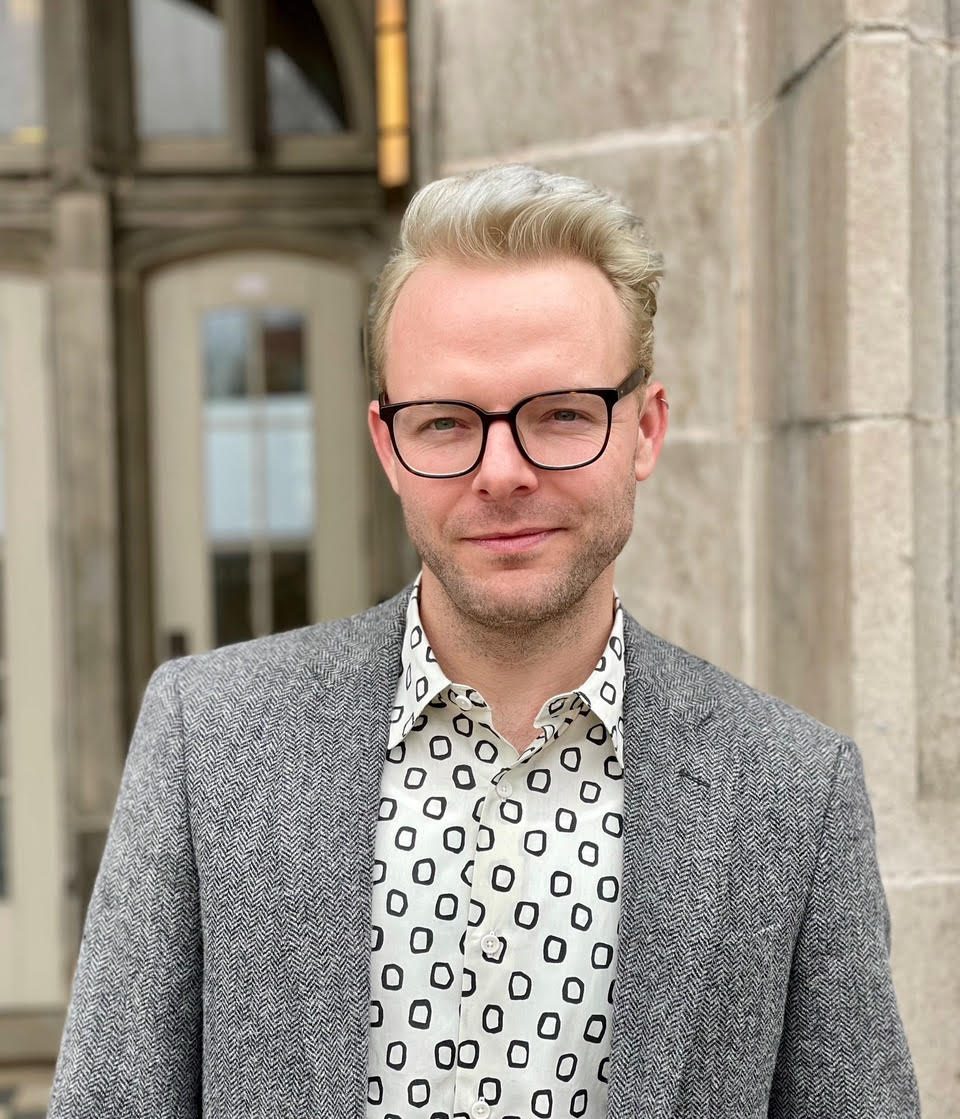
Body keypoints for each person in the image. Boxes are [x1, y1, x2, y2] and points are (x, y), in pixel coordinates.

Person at [49, 164, 920, 1119]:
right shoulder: (208, 739)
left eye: (561, 414)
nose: (501, 472)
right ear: (388, 446)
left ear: (645, 428)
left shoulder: (794, 792)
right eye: (446, 422)